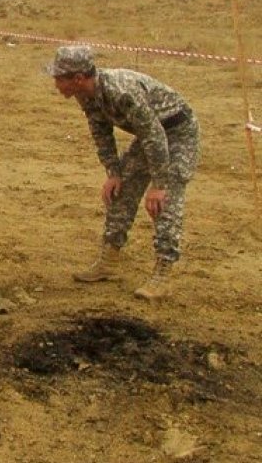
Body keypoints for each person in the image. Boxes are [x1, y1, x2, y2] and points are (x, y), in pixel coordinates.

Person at [48, 45, 200, 300]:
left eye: (59, 78)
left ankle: (163, 272)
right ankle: (108, 261)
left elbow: (155, 136)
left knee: (163, 202)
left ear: (78, 78)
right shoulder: (85, 94)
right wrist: (114, 172)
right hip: (151, 136)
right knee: (121, 192)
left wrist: (159, 184)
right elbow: (100, 132)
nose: (55, 84)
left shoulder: (122, 91)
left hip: (178, 134)